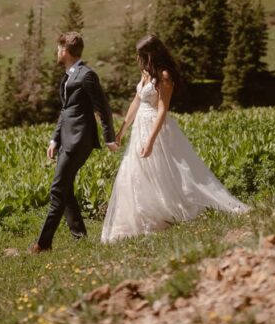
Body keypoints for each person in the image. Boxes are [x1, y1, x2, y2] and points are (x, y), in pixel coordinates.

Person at [101, 34, 248, 243]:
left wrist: (151, 141)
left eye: (141, 55)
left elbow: (162, 110)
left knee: (163, 170)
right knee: (134, 172)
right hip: (139, 127)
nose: (137, 59)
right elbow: (136, 101)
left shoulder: (164, 75)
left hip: (155, 127)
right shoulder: (145, 74)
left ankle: (167, 211)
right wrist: (122, 129)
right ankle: (141, 217)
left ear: (151, 55)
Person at [31, 32, 118, 253]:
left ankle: (43, 244)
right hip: (66, 139)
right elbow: (66, 110)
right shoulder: (69, 76)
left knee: (57, 189)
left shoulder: (87, 75)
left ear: (66, 51)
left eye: (58, 49)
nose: (57, 52)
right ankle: (80, 236)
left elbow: (103, 107)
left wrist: (109, 138)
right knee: (65, 188)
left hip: (80, 139)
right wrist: (54, 139)